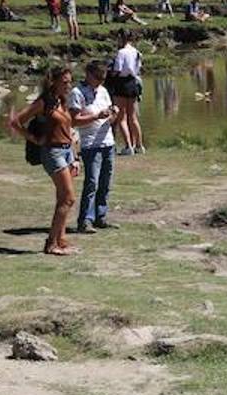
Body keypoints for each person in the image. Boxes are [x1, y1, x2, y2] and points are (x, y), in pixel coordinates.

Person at [10, 66, 81, 256]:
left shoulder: (62, 100)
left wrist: (75, 156)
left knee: (62, 198)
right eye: (64, 82)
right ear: (54, 82)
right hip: (53, 152)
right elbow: (16, 121)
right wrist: (34, 139)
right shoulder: (44, 102)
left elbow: (69, 128)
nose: (68, 85)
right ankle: (51, 243)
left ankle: (61, 239)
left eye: (70, 81)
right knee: (68, 198)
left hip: (67, 151)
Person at [69, 60, 120, 234]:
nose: (100, 81)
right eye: (98, 77)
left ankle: (101, 216)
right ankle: (85, 220)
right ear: (88, 74)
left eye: (103, 78)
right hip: (91, 144)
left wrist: (113, 114)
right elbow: (74, 120)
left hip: (108, 142)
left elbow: (108, 119)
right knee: (92, 182)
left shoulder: (104, 91)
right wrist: (96, 115)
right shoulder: (77, 92)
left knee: (106, 182)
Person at [110, 30, 144, 155]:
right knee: (133, 117)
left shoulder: (121, 52)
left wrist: (110, 74)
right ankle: (139, 145)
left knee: (122, 117)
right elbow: (138, 68)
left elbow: (117, 70)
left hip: (122, 83)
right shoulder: (136, 52)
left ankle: (128, 146)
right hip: (133, 83)